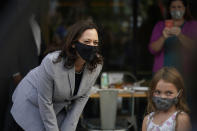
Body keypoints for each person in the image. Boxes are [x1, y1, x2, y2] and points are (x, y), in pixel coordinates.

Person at [11, 20, 103, 131]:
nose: (92, 46)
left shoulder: (96, 66)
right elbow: (45, 102)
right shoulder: (52, 62)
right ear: (73, 43)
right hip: (30, 102)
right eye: (87, 41)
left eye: (95, 43)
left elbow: (79, 104)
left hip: (55, 108)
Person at [149, 0, 197, 74]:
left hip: (186, 75)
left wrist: (180, 35)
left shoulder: (193, 25)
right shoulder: (160, 25)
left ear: (185, 9)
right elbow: (152, 49)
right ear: (169, 9)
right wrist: (163, 37)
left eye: (179, 7)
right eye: (173, 7)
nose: (176, 9)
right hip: (162, 74)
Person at [142, 67, 191, 131]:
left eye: (169, 93)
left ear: (179, 94)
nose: (162, 97)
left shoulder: (180, 119)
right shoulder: (148, 119)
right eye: (158, 92)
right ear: (152, 92)